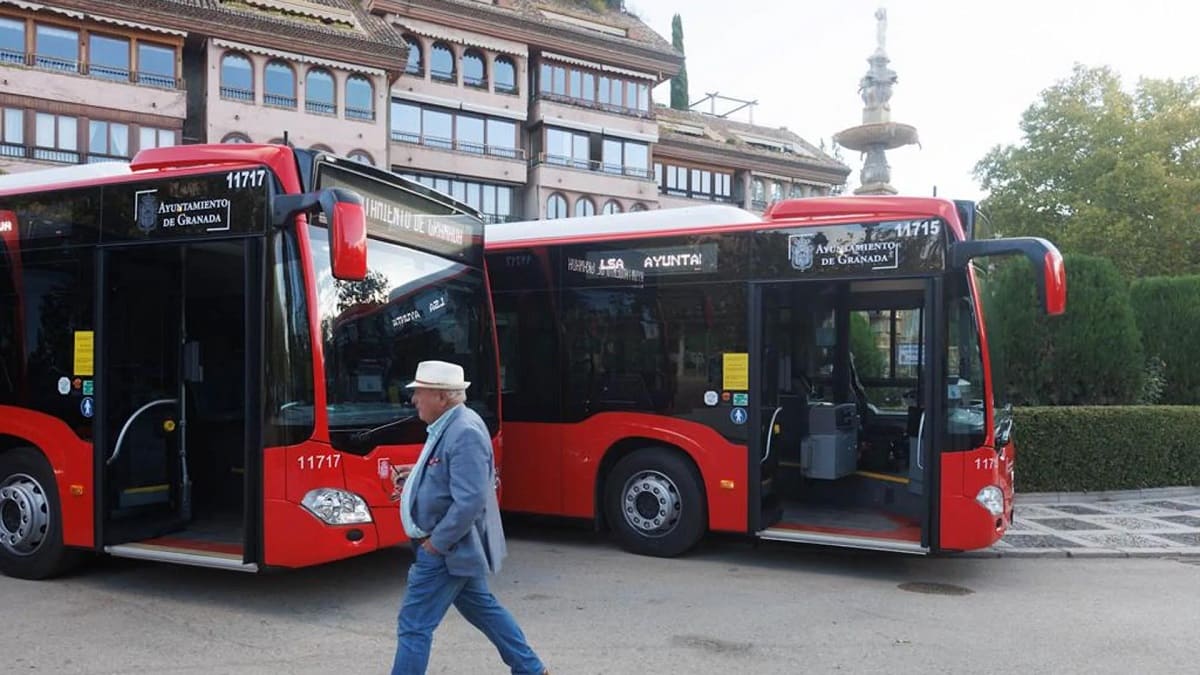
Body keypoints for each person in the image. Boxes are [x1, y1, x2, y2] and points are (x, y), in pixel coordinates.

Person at [391, 360, 548, 675]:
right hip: (453, 550)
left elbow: (470, 500)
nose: (413, 400)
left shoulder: (463, 431)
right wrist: (416, 476)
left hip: (447, 551)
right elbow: (449, 476)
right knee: (484, 610)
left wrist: (436, 544)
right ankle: (530, 670)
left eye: (419, 392)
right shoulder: (450, 424)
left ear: (442, 396)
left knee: (414, 625)